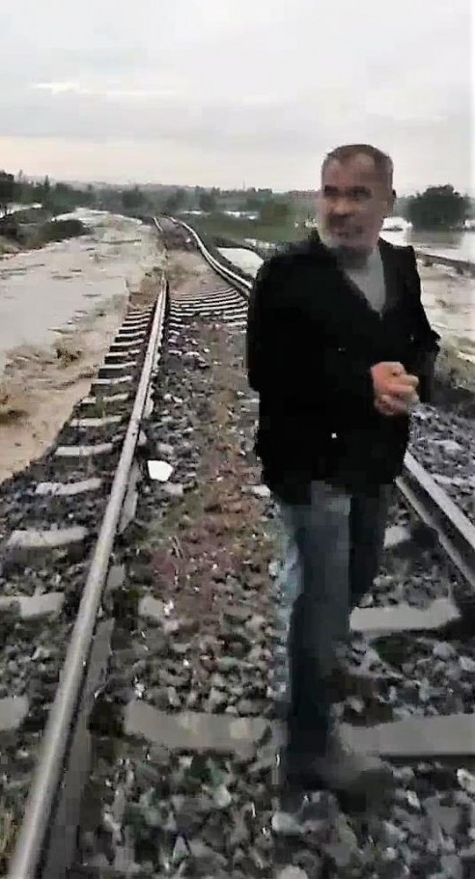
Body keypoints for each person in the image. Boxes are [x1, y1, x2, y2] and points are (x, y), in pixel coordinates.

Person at [246, 144, 440, 799]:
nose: (341, 208)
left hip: (374, 462)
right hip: (310, 465)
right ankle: (308, 745)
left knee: (354, 580)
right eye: (331, 192)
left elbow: (420, 337)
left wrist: (416, 376)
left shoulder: (400, 265)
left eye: (358, 195)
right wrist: (363, 384)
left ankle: (316, 668)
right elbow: (266, 372)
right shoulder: (287, 275)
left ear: (389, 202)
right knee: (320, 599)